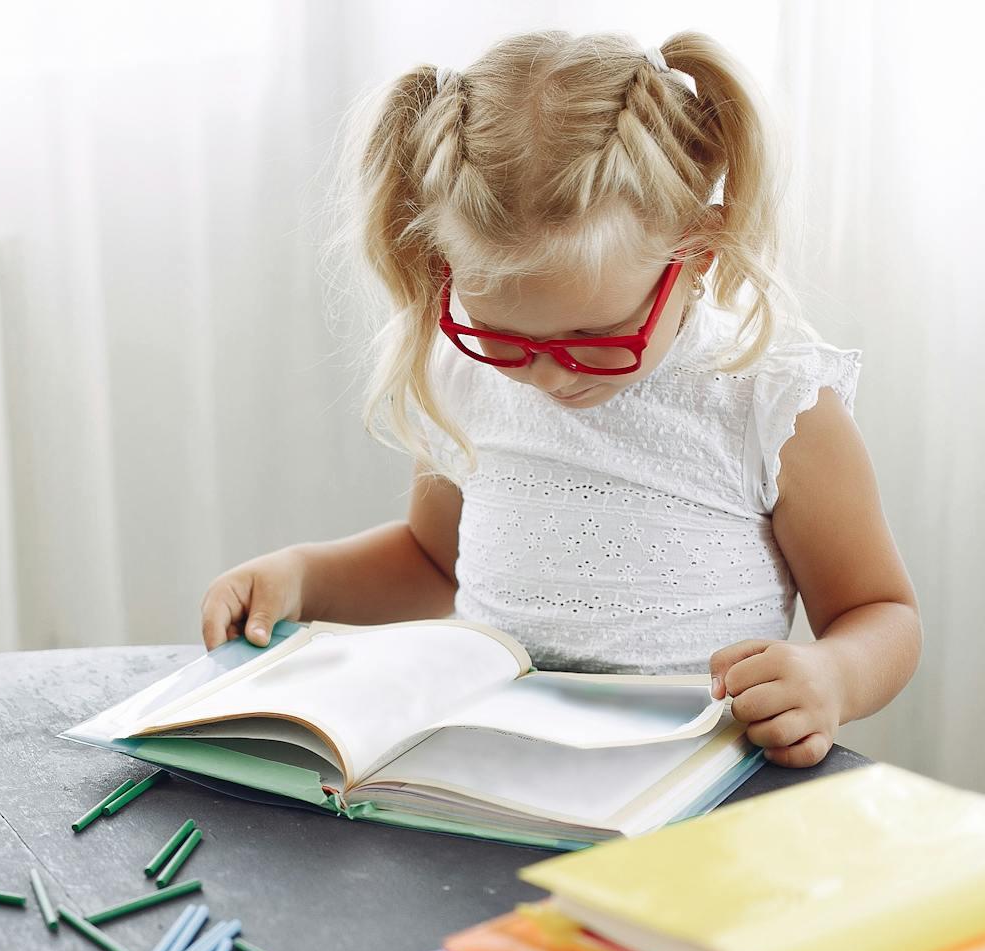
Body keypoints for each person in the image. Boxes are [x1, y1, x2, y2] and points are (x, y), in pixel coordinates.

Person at [200, 30, 919, 768]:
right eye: (503, 338)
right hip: (494, 777)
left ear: (698, 252)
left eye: (596, 337)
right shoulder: (464, 377)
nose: (548, 376)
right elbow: (429, 560)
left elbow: (880, 612)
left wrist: (832, 676)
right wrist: (302, 577)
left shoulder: (770, 401)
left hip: (689, 790)